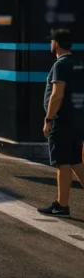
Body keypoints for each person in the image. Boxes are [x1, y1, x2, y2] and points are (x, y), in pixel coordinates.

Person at [38, 29, 84, 216]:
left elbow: (57, 95)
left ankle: (62, 205)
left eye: (52, 41)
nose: (50, 44)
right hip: (77, 121)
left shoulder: (61, 64)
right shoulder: (78, 63)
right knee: (75, 162)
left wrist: (48, 119)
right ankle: (61, 204)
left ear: (56, 43)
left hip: (62, 120)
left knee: (62, 164)